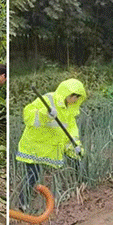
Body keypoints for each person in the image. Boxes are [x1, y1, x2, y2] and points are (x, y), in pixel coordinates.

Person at [15, 79, 87, 208]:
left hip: (50, 147)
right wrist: (45, 114)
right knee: (33, 174)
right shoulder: (48, 100)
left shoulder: (70, 109)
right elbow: (28, 115)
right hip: (35, 145)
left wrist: (76, 146)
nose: (75, 100)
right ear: (67, 94)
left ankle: (82, 187)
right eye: (74, 96)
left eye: (77, 97)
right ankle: (22, 203)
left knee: (76, 160)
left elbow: (71, 130)